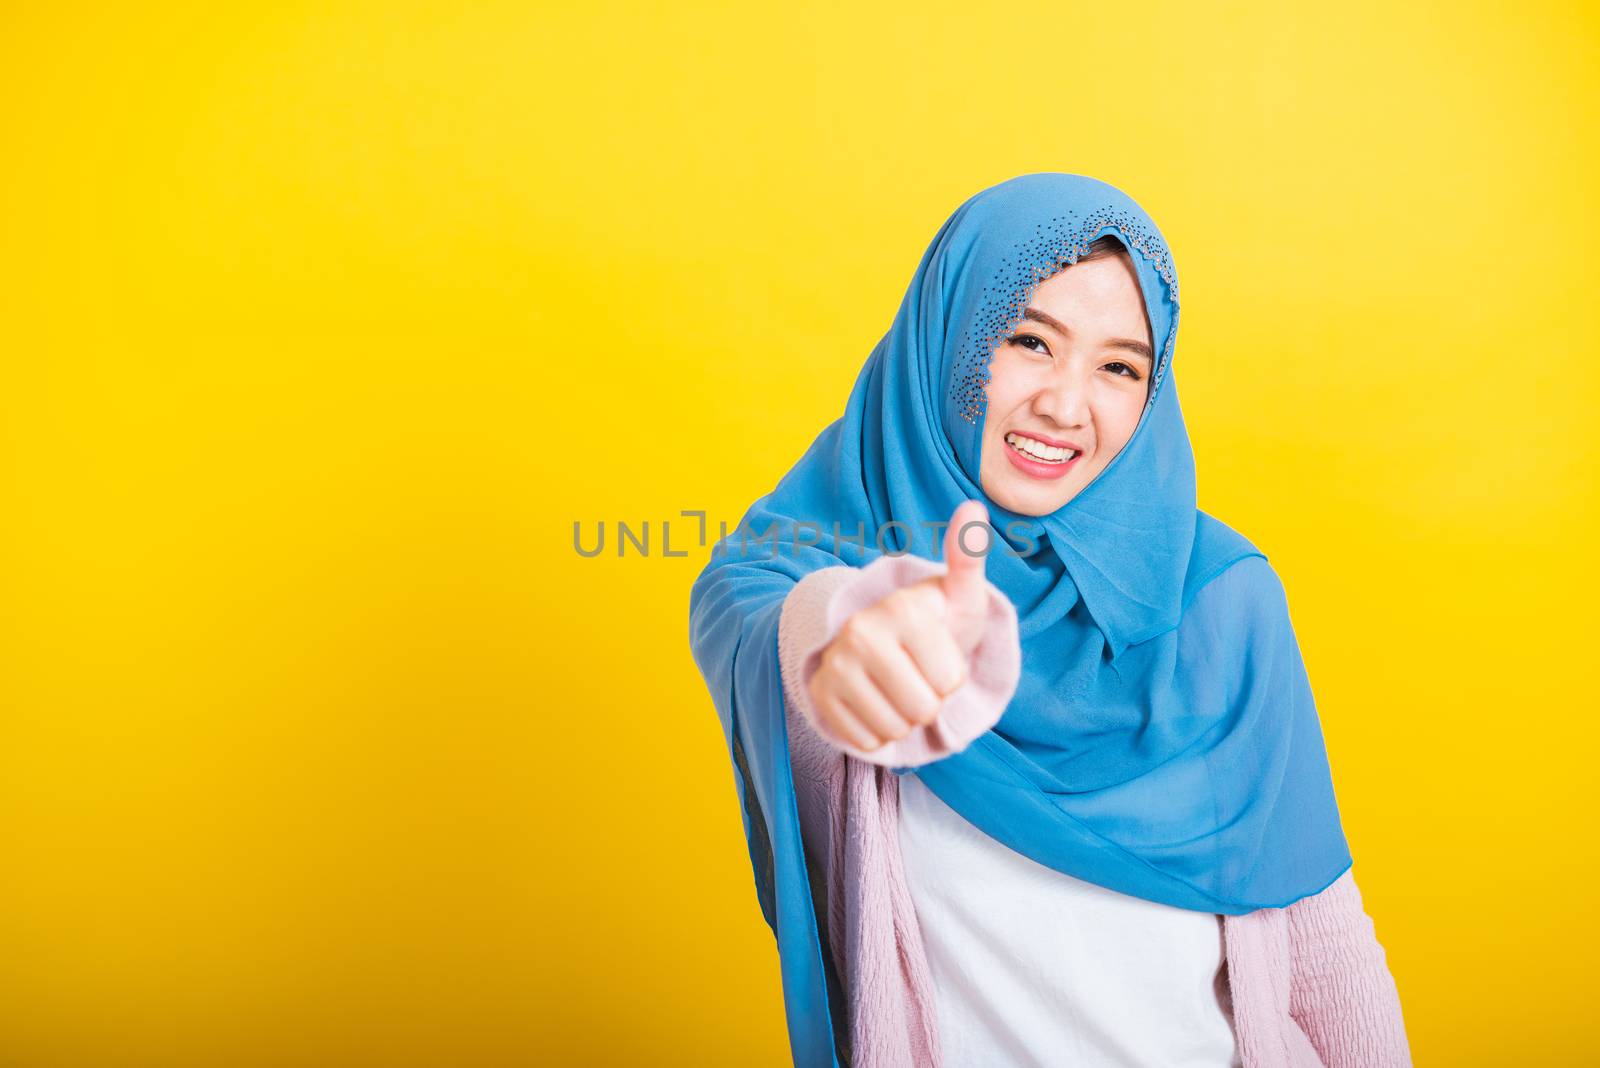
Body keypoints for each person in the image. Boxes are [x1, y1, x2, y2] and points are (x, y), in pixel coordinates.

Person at [688, 172, 1410, 1067]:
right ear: (947, 339)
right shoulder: (835, 572)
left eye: (1119, 366)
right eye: (1030, 340)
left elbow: (1326, 947)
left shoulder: (1224, 597)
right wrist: (851, 633)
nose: (1067, 407)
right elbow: (760, 615)